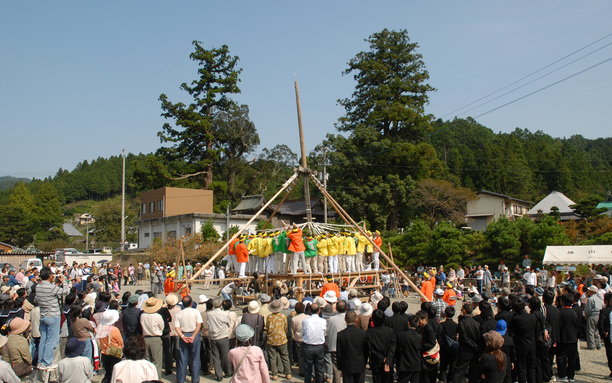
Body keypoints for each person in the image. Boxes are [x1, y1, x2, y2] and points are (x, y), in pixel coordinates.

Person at [34, 266, 70, 370]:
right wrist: (64, 281)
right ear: (50, 276)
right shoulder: (51, 287)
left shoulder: (38, 287)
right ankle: (47, 362)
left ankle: (40, 361)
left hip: (43, 315)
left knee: (43, 340)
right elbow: (65, 292)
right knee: (52, 340)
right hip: (53, 315)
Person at [175, 295, 203, 383]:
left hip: (184, 334)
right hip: (193, 334)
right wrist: (193, 336)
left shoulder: (179, 313)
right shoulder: (196, 312)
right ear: (191, 303)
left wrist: (182, 336)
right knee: (195, 358)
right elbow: (199, 325)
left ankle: (181, 379)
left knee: (183, 359)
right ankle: (195, 379)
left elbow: (177, 327)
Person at [337, 310, 368, 383]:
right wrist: (364, 363)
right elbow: (366, 350)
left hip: (347, 365)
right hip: (359, 364)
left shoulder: (341, 334)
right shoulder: (362, 333)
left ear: (345, 320)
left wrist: (340, 366)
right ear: (356, 319)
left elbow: (339, 352)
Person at [452, 303, 481, 383]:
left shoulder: (462, 323)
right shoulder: (476, 323)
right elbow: (478, 337)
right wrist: (476, 346)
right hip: (474, 351)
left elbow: (464, 338)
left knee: (459, 372)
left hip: (464, 351)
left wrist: (473, 345)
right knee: (473, 372)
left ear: (464, 311)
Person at [366, 309, 395, 383]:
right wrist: (388, 359)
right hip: (388, 361)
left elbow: (370, 348)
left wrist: (382, 358)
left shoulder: (369, 332)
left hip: (376, 361)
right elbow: (392, 346)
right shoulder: (390, 331)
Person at [207, 296, 233, 381]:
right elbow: (228, 322)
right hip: (223, 336)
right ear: (220, 304)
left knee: (216, 356)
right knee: (225, 355)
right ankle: (228, 371)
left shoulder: (209, 314)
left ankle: (218, 374)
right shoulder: (224, 314)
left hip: (214, 337)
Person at [266, 299, 291, 380]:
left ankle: (274, 374)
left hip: (271, 339)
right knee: (285, 356)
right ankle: (288, 373)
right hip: (282, 338)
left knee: (272, 357)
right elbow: (286, 328)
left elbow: (267, 327)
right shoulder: (284, 317)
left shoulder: (269, 317)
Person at [302, 302, 327, 383]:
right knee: (319, 369)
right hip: (319, 346)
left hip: (308, 346)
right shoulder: (323, 321)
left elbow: (303, 333)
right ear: (319, 310)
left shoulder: (306, 321)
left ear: (309, 310)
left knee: (307, 369)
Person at [140, 296, 164, 377]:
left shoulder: (143, 315)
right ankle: (156, 378)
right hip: (155, 338)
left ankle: (148, 378)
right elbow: (162, 327)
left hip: (146, 338)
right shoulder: (157, 316)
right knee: (157, 361)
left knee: (147, 360)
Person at [97, 309, 124, 383]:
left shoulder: (100, 328)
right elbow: (121, 342)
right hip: (114, 353)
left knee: (108, 373)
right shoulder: (114, 329)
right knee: (114, 374)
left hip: (104, 353)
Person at [557, 293, 579, 382]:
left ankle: (563, 375)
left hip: (563, 338)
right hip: (573, 338)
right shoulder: (574, 312)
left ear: (563, 302)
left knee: (561, 357)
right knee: (572, 358)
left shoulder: (561, 312)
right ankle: (571, 376)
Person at [326, 299, 347, 383]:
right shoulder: (348, 317)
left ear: (337, 308)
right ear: (346, 308)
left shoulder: (331, 319)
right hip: (346, 345)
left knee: (336, 368)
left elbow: (329, 332)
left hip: (334, 345)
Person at [585, 284, 603, 349]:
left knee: (590, 330)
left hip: (592, 315)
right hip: (599, 314)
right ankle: (598, 344)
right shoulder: (599, 299)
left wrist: (586, 315)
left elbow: (588, 308)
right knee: (596, 330)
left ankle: (591, 345)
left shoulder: (591, 299)